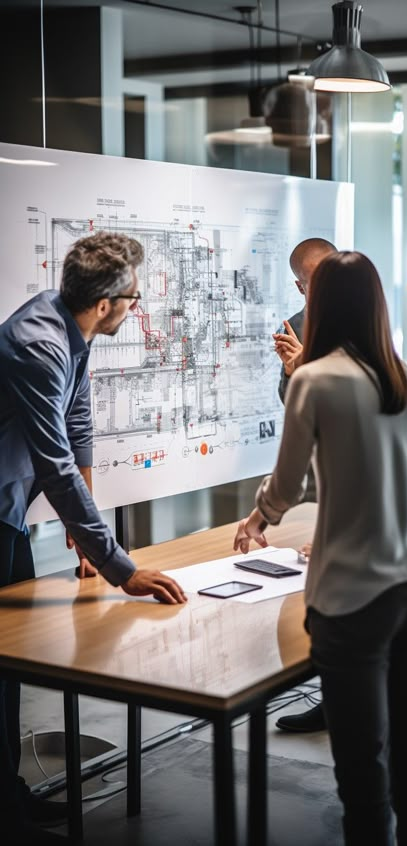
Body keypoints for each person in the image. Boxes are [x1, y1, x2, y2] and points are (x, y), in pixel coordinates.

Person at [234, 250, 407, 846]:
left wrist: (258, 519)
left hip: (357, 594)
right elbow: (381, 467)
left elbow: (286, 486)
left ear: (319, 305)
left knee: (364, 775)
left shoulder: (311, 379)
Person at [0, 231, 186, 846]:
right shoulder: (38, 343)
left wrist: (85, 531)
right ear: (105, 304)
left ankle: (10, 799)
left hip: (9, 506)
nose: (137, 307)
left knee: (7, 667)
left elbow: (75, 421)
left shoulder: (70, 331)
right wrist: (117, 566)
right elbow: (52, 464)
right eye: (133, 298)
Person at [272, 236, 336, 734]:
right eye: (317, 277)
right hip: (322, 474)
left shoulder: (367, 319)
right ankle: (330, 699)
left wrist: (303, 370)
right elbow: (292, 406)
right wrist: (293, 372)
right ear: (300, 285)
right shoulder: (293, 328)